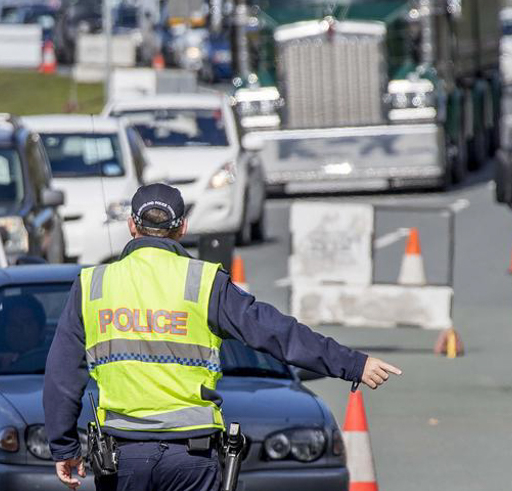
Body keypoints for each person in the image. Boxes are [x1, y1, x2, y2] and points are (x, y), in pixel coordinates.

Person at [42, 183, 402, 491]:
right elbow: (275, 332)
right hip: (192, 457)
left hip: (123, 457)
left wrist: (64, 447)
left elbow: (62, 374)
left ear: (131, 225)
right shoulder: (203, 282)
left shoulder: (93, 285)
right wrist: (353, 364)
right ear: (183, 227)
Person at [0, 295, 48, 371]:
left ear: (42, 330)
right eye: (13, 324)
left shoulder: (54, 355)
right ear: (4, 330)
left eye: (28, 323)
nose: (21, 330)